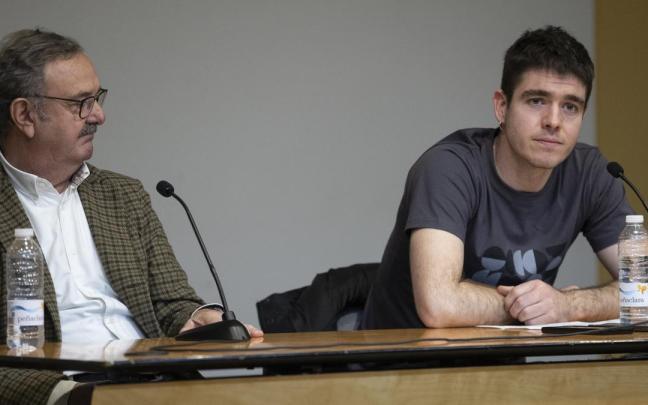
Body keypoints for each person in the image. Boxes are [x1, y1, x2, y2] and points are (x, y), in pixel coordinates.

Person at [0, 28, 262, 405]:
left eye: (97, 98)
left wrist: (196, 318)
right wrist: (62, 395)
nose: (99, 115)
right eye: (81, 103)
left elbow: (171, 303)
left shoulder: (123, 195)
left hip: (154, 380)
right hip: (61, 389)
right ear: (25, 115)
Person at [361, 26, 633, 330]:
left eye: (570, 106)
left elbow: (644, 288)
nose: (554, 121)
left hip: (508, 357)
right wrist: (535, 308)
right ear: (502, 107)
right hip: (405, 355)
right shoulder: (449, 167)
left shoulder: (591, 174)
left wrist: (568, 306)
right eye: (536, 101)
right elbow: (439, 305)